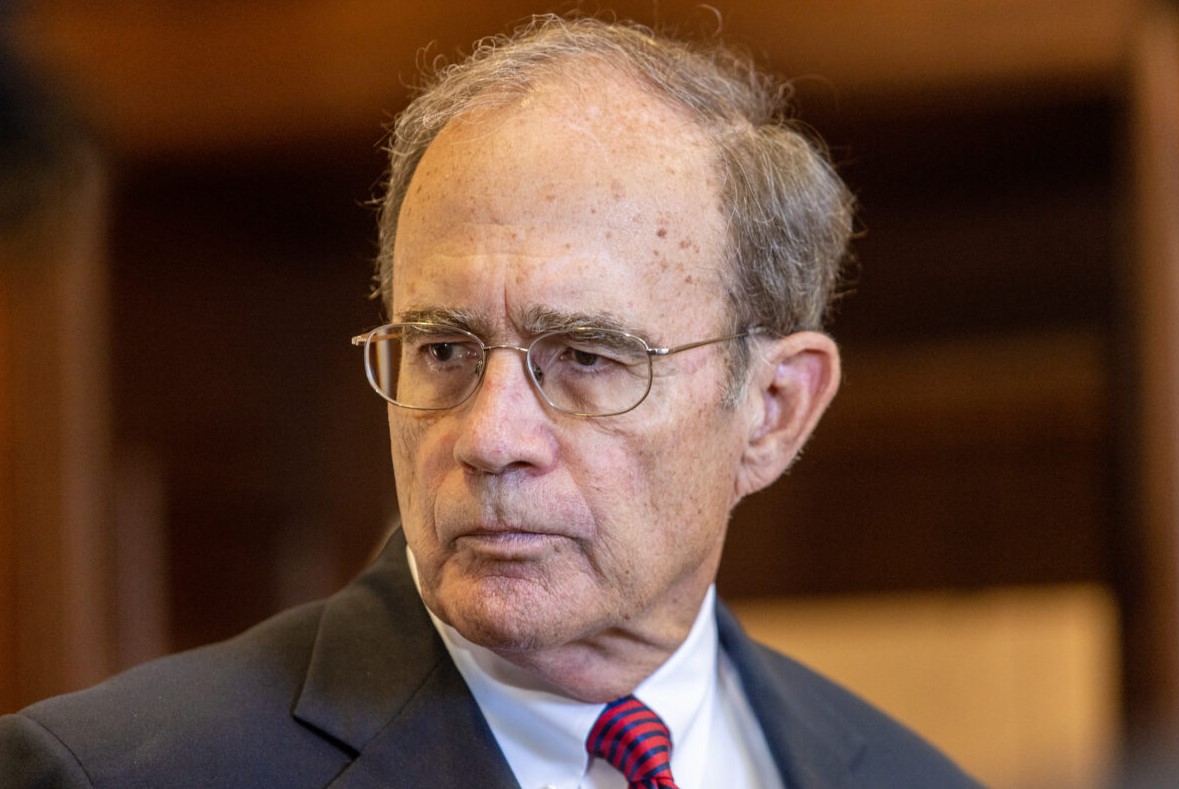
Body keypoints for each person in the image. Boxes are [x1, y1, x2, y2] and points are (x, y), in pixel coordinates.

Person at [0, 14, 982, 788]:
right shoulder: (118, 772)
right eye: (443, 350)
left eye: (585, 357)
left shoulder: (910, 779)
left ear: (772, 408)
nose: (490, 436)